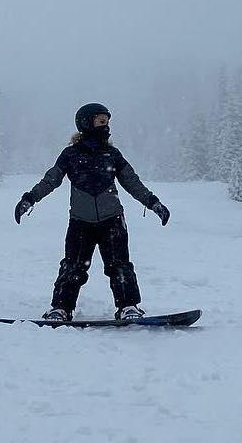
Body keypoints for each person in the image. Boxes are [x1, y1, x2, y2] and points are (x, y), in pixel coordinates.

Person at [15, 104, 170, 322]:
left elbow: (132, 183)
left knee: (120, 267)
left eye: (107, 122)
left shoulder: (112, 155)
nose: (106, 126)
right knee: (72, 268)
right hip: (80, 223)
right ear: (87, 123)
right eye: (101, 121)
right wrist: (29, 198)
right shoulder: (70, 155)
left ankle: (128, 307)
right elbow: (51, 180)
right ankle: (61, 309)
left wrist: (153, 203)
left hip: (112, 221)